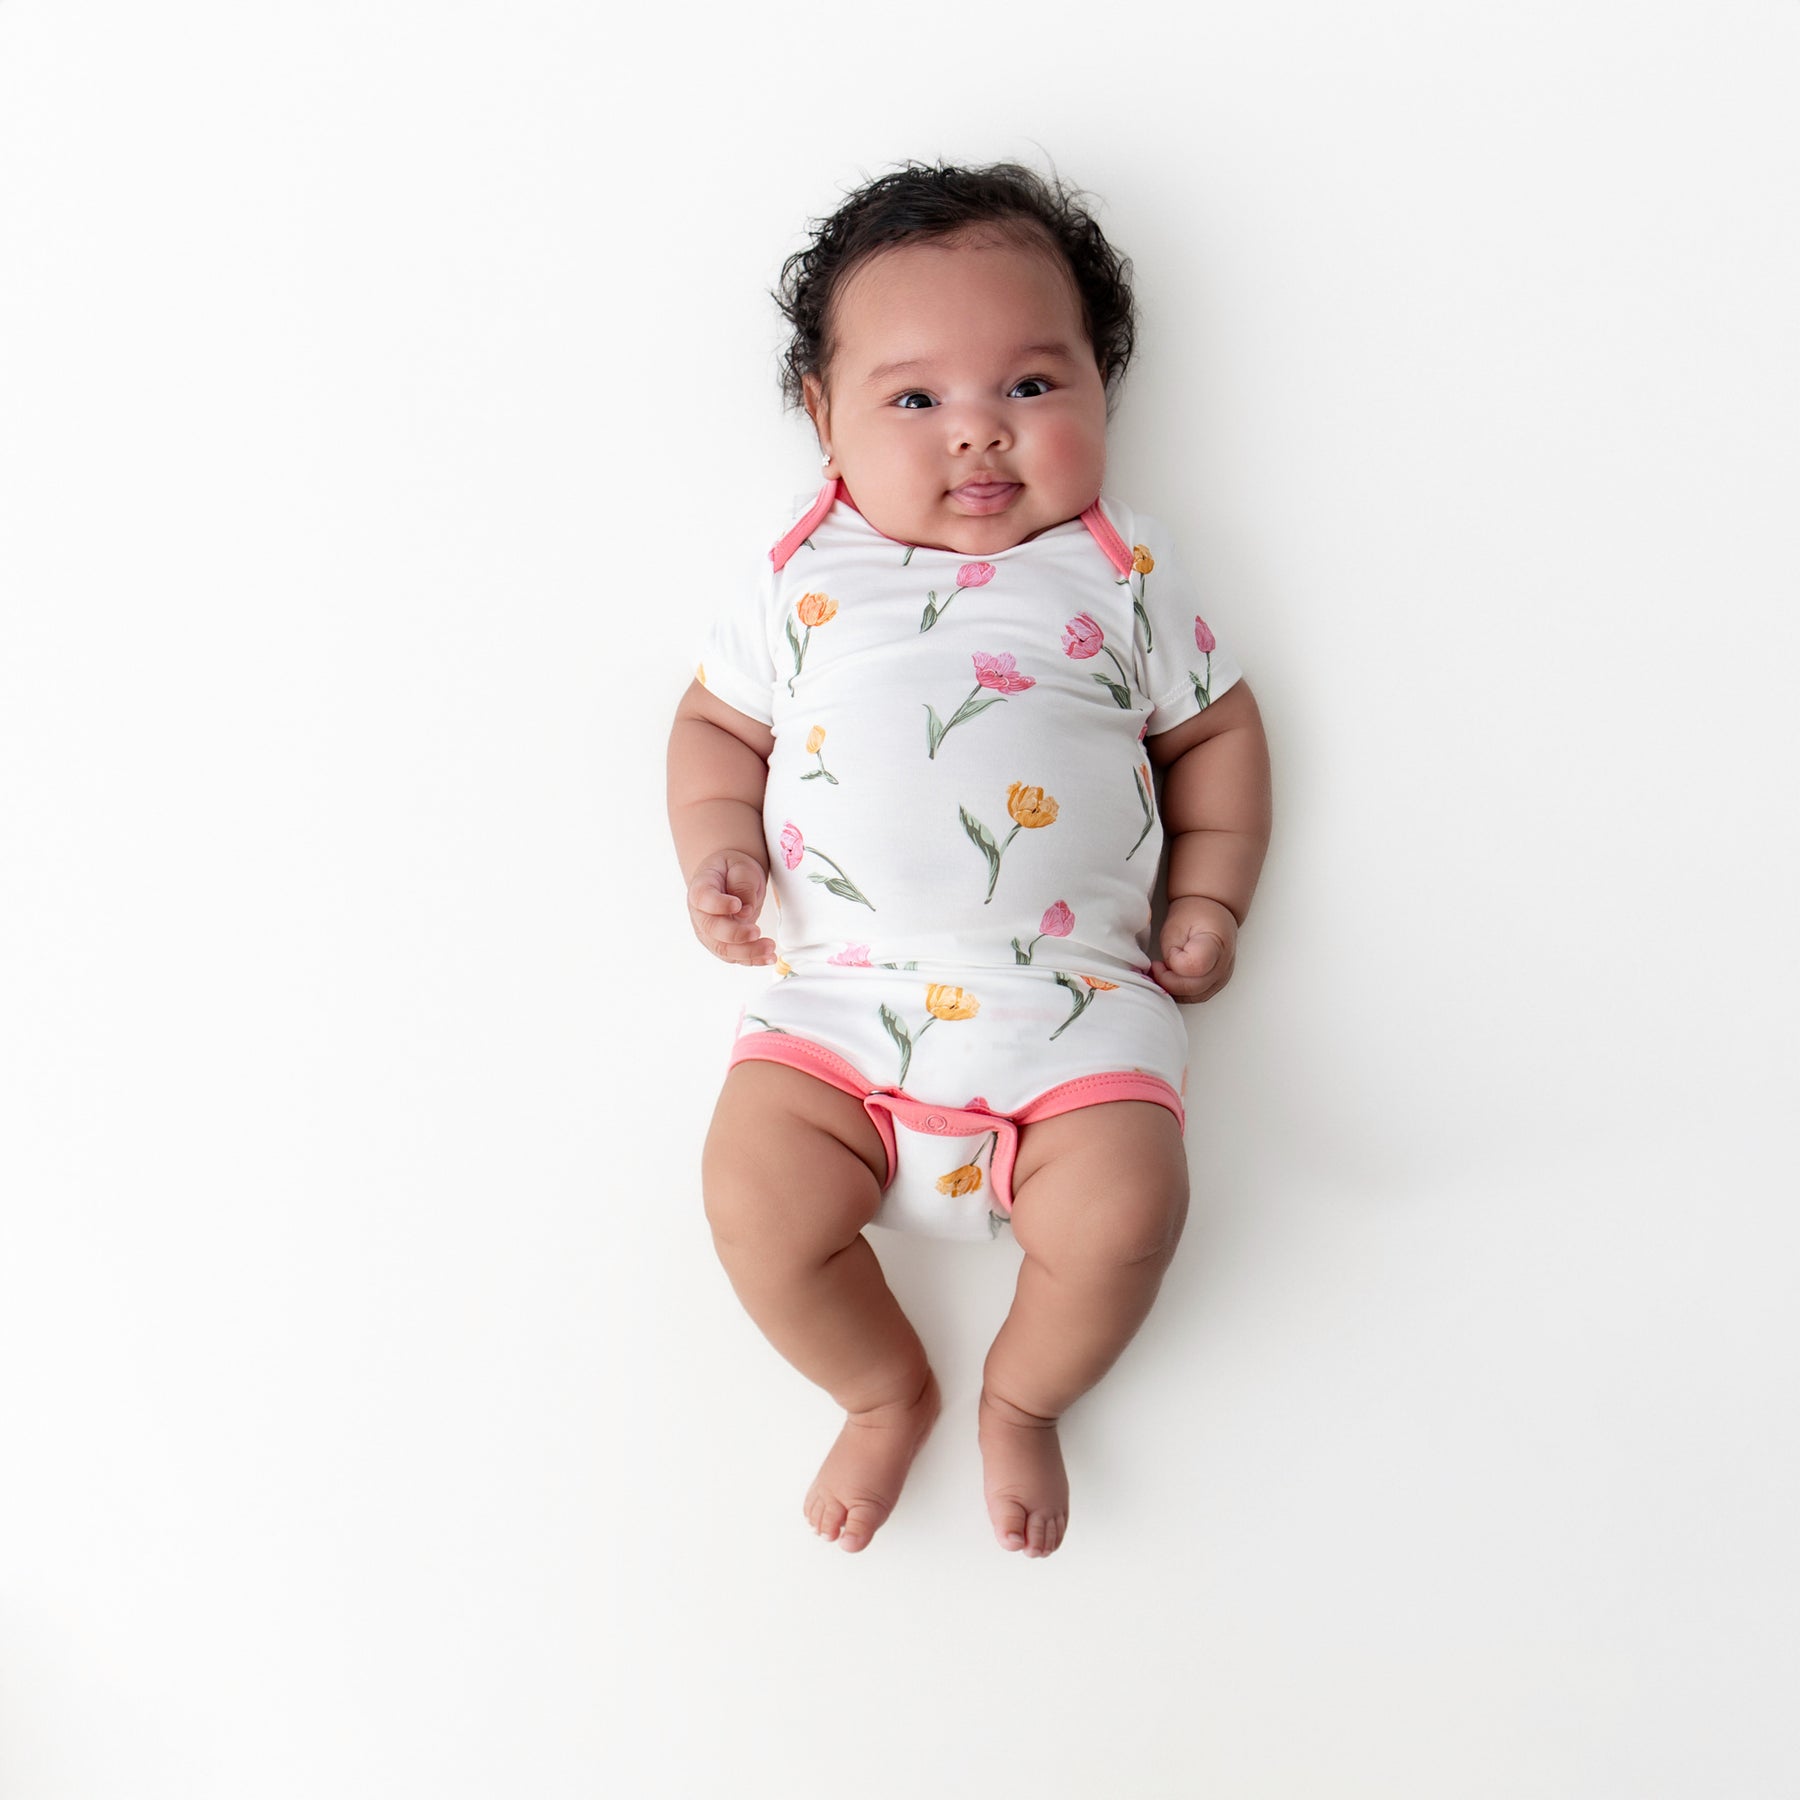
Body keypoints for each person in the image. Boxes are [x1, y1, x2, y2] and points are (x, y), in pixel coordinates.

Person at [665, 161, 1272, 1559]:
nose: (980, 433)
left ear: (1103, 391)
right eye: (915, 399)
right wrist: (718, 849)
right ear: (823, 418)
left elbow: (1217, 733)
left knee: (1127, 1215)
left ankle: (1025, 1393)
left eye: (1033, 386)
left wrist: (1209, 895)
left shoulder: (1121, 569)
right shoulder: (799, 576)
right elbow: (713, 727)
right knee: (752, 1201)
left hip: (1074, 1013)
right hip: (837, 1015)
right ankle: (881, 1390)